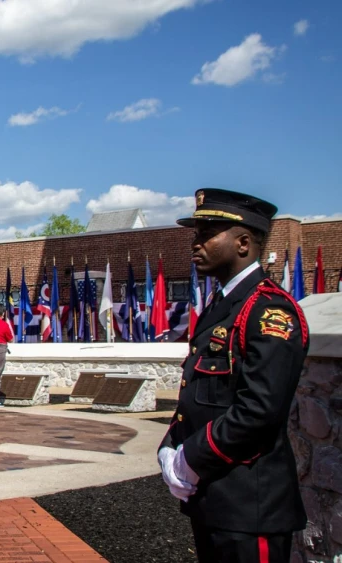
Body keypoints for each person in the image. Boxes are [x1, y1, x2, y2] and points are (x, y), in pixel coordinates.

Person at [160, 188, 309, 563]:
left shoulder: (268, 310)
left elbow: (259, 411)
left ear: (243, 243)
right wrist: (169, 444)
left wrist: (190, 457)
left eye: (207, 234)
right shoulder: (222, 305)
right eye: (196, 234)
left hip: (250, 503)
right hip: (214, 498)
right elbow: (200, 393)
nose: (196, 244)